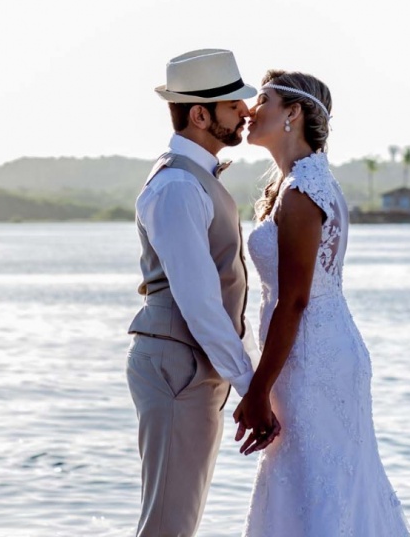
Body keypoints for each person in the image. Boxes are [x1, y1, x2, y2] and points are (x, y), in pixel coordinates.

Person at [236, 69, 410, 536]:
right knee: (314, 484)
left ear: (292, 113)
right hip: (311, 351)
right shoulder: (303, 182)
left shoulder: (302, 192)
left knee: (320, 484)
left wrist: (258, 389)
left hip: (313, 358)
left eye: (264, 100)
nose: (250, 110)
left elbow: (294, 301)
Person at [127, 49, 279, 537]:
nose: (245, 111)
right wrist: (250, 386)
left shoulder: (194, 178)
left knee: (177, 520)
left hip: (190, 365)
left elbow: (220, 299)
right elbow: (199, 303)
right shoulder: (177, 186)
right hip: (178, 367)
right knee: (168, 526)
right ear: (199, 115)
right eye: (233, 105)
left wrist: (250, 378)